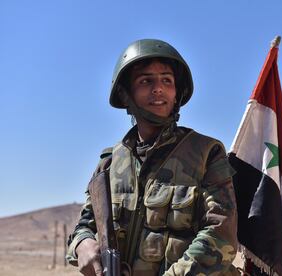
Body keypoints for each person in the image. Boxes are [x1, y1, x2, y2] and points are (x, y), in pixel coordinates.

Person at [66, 39, 239, 276]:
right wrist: (82, 244)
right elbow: (85, 224)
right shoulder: (109, 163)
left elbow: (221, 234)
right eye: (146, 81)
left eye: (167, 80)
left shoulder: (206, 153)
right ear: (125, 94)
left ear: (177, 92)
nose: (158, 88)